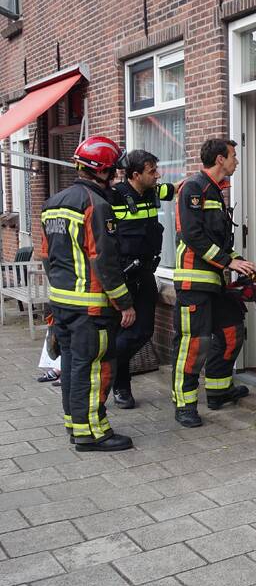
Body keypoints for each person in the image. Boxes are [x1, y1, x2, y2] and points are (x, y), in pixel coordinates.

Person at [41, 136, 137, 452]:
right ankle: (93, 433)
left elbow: (46, 256)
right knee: (96, 368)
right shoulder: (97, 206)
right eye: (114, 172)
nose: (116, 178)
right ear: (103, 170)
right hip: (91, 309)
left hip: (62, 303)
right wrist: (124, 303)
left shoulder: (52, 204)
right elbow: (104, 260)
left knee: (72, 366)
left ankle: (75, 423)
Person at [170, 138, 256, 428]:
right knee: (194, 344)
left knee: (233, 331)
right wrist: (228, 262)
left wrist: (239, 262)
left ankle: (219, 391)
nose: (236, 161)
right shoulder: (193, 188)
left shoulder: (216, 192)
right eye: (233, 156)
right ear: (220, 159)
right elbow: (193, 236)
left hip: (216, 281)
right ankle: (185, 405)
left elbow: (217, 239)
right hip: (193, 283)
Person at [109, 149, 176, 408]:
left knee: (144, 330)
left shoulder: (152, 192)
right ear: (135, 175)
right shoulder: (113, 197)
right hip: (122, 275)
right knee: (122, 329)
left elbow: (178, 188)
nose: (157, 176)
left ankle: (109, 361)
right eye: (152, 172)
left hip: (146, 272)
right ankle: (121, 388)